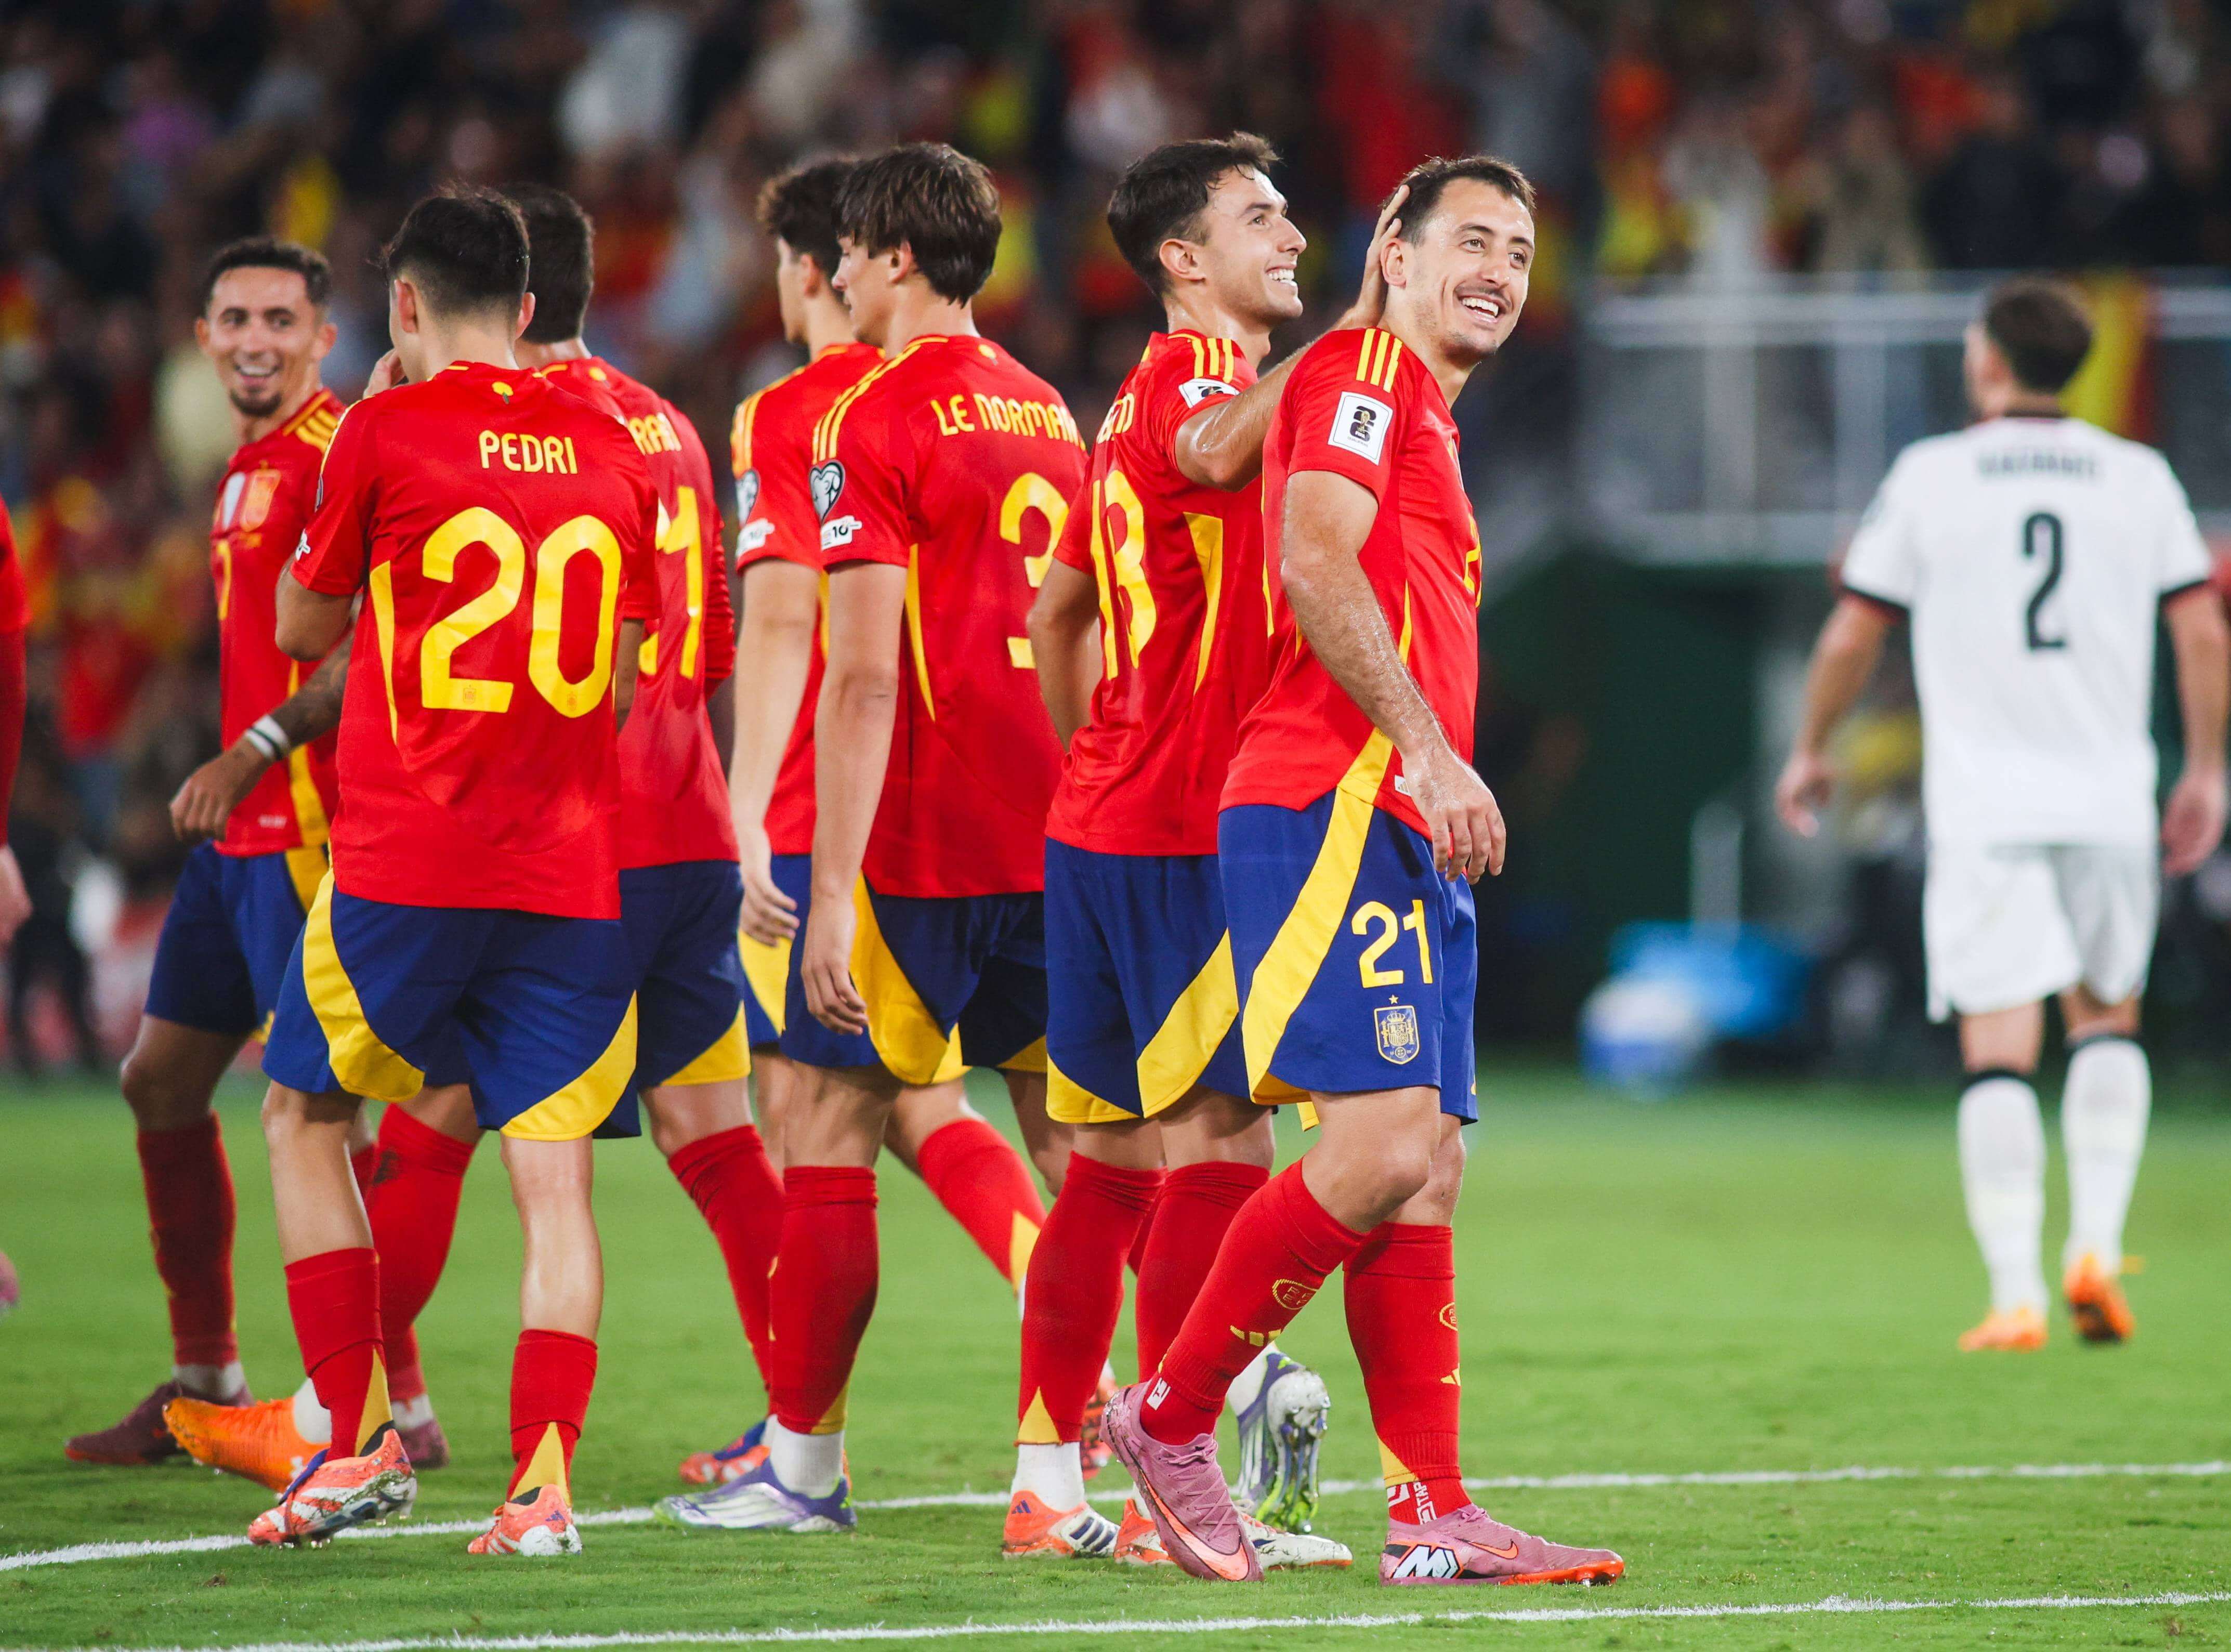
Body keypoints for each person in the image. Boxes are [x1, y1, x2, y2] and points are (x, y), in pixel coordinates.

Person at [1101, 155, 1625, 1590]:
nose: (1501, 269)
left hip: (1389, 811)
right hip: (1328, 797)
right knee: (1382, 1140)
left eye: (1520, 249)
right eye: (1469, 238)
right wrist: (1429, 754)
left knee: (1428, 1170)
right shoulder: (1361, 369)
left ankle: (1431, 1509)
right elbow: (1311, 560)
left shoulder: (1419, 410)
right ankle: (1167, 1417)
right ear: (1389, 253)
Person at [670, 142, 1085, 1537]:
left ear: (894, 258)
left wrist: (826, 883)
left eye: (849, 249)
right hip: (1050, 838)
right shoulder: (1049, 413)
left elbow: (856, 670)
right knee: (1073, 1154)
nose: (834, 273)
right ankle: (1058, 1474)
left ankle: (802, 1473)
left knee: (830, 1127)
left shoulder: (858, 418)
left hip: (918, 842)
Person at [247, 186, 660, 1557]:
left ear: (405, 305)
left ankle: (358, 1445)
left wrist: (359, 466)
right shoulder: (620, 442)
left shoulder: (384, 424)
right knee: (555, 1182)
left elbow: (304, 622)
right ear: (529, 305)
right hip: (571, 874)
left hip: (407, 863)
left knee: (303, 1116)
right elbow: (616, 678)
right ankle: (541, 1492)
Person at [1008, 134, 1392, 1569]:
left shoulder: (1112, 410)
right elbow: (1219, 453)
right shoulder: (1192, 384)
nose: (1291, 235)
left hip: (1103, 819)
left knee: (1104, 1162)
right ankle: (1178, 1479)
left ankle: (1046, 1480)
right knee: (1221, 1149)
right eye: (1259, 216)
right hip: (1179, 834)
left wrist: (1093, 749)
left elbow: (1056, 615)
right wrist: (1369, 323)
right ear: (1182, 259)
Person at [1776, 276, 2229, 1354]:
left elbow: (1853, 631)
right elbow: (2201, 629)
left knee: (1997, 1046)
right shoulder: (2138, 476)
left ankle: (2017, 1289)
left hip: (1985, 801)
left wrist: (1811, 747)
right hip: (2109, 794)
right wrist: (2204, 766)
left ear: (1987, 361)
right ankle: (2099, 1245)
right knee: (2107, 1016)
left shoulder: (1933, 476)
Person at [64, 240, 395, 1467]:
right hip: (234, 843)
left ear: (323, 337)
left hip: (312, 827)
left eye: (281, 318)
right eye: (234, 317)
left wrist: (253, 745)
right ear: (201, 338)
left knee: (331, 1120)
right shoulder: (243, 467)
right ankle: (206, 1368)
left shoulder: (336, 454)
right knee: (159, 1082)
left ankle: (392, 1401)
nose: (255, 337)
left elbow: (367, 649)